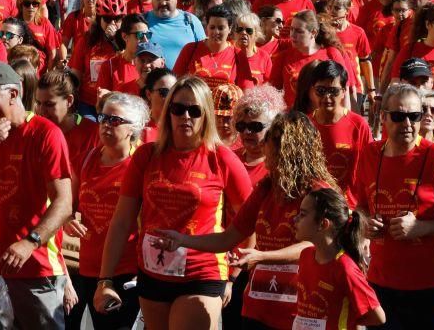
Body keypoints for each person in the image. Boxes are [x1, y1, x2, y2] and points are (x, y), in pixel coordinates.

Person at [93, 76, 253, 330]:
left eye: (194, 110)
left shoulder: (222, 158)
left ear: (206, 115)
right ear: (168, 113)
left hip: (201, 271)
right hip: (153, 272)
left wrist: (233, 276)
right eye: (178, 109)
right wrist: (105, 279)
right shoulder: (147, 155)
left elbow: (249, 220)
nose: (185, 116)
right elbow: (122, 221)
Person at [153, 110, 335, 330]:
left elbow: (314, 245)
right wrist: (182, 240)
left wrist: (262, 257)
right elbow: (228, 238)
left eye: (269, 145)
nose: (264, 152)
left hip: (300, 310)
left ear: (287, 151)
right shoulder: (266, 188)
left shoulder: (319, 192)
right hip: (258, 307)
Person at [354, 83, 434, 329]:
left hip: (431, 283)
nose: (407, 124)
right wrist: (365, 223)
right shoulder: (369, 154)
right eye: (399, 116)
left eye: (414, 116)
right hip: (381, 279)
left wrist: (421, 228)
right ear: (383, 116)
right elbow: (360, 206)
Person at [0, 61, 73, 328]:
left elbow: (64, 202)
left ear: (13, 94)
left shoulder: (45, 133)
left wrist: (30, 242)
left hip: (37, 270)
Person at [64, 92, 149, 330]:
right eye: (103, 118)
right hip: (89, 267)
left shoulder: (142, 163)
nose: (106, 125)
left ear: (133, 128)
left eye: (115, 120)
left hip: (128, 269)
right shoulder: (87, 158)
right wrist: (68, 220)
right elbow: (66, 206)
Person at [292, 188, 386, 329]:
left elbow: (378, 317)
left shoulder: (345, 267)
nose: (295, 218)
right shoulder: (305, 255)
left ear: (323, 224)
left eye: (303, 214)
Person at [303, 60, 372, 206]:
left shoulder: (359, 125)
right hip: (313, 206)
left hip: (349, 207)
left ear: (344, 91)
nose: (327, 97)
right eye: (321, 91)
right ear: (312, 91)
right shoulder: (304, 125)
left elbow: (370, 170)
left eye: (333, 91)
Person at [268, 10, 355, 107]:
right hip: (295, 119)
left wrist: (344, 117)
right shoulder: (283, 57)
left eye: (299, 31)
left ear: (313, 32)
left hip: (324, 117)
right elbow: (273, 93)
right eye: (291, 29)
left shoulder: (331, 53)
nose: (292, 35)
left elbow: (344, 91)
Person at [69, 0, 128, 115]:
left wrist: (114, 41)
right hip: (89, 102)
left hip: (118, 103)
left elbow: (128, 67)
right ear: (100, 19)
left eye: (117, 19)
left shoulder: (127, 40)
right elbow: (76, 75)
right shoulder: (87, 40)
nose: (112, 24)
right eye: (107, 19)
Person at [36, 68, 100, 179]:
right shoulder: (35, 133)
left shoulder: (93, 133)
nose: (41, 111)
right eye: (38, 103)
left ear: (69, 101)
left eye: (49, 104)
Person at [174, 4, 245, 88]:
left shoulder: (238, 55)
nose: (216, 32)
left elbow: (245, 89)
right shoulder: (190, 49)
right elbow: (175, 82)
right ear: (207, 27)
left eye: (221, 28)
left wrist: (234, 93)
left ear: (230, 29)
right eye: (212, 27)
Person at [144, 0, 205, 68]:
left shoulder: (191, 21)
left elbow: (203, 56)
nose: (163, 3)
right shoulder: (142, 21)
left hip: (183, 81)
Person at [97, 13, 150, 96]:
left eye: (148, 35)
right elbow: (101, 105)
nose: (146, 40)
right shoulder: (109, 66)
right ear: (125, 36)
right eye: (140, 35)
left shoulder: (151, 66)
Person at [137, 68, 176, 145]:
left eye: (174, 92)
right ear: (148, 94)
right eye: (164, 92)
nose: (170, 97)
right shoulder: (138, 128)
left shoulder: (181, 127)